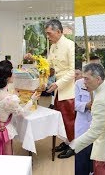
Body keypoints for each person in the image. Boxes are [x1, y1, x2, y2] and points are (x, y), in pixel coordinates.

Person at [64, 63, 105, 174]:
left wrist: (73, 147)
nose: (83, 82)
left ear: (98, 79)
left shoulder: (100, 100)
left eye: (86, 79)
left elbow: (94, 132)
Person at [25, 19, 75, 158]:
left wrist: (58, 84)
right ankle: (66, 142)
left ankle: (74, 146)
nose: (48, 36)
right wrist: (34, 58)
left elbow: (73, 71)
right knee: (62, 117)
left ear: (59, 31)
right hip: (58, 88)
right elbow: (47, 64)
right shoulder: (53, 47)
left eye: (49, 33)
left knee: (69, 118)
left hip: (68, 88)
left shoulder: (70, 45)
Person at [0, 60, 40, 155]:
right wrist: (32, 99)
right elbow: (22, 112)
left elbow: (1, 105)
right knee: (5, 155)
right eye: (12, 72)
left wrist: (14, 94)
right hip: (3, 131)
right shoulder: (10, 99)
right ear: (7, 78)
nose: (14, 75)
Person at [70, 56, 101, 174]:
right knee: (81, 161)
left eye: (97, 66)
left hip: (98, 128)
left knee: (95, 163)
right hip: (82, 127)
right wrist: (86, 105)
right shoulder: (79, 83)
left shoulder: (104, 84)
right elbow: (73, 103)